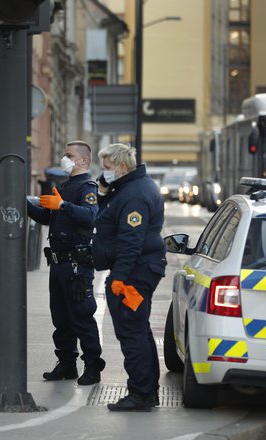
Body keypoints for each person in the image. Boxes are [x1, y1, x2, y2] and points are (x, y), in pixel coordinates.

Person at [92, 143, 167, 411]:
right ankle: (147, 391)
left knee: (131, 332)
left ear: (121, 167)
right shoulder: (129, 188)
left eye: (108, 167)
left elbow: (130, 242)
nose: (104, 172)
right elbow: (109, 219)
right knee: (139, 330)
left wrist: (119, 279)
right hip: (139, 268)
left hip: (135, 272)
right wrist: (102, 193)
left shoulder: (134, 195)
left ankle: (140, 394)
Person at [27, 140, 105, 385]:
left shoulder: (87, 187)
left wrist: (62, 205)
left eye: (69, 155)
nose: (65, 158)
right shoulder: (64, 186)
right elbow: (48, 217)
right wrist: (25, 204)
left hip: (77, 264)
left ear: (83, 160)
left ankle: (92, 366)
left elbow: (90, 216)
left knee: (81, 315)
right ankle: (67, 364)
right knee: (60, 317)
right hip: (58, 262)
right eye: (65, 154)